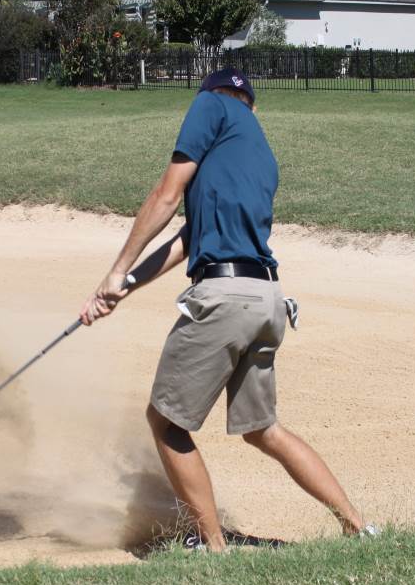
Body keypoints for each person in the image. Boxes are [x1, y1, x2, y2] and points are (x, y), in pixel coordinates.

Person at [79, 67, 370, 552]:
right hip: (267, 299)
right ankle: (359, 526)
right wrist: (121, 287)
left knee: (166, 423)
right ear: (253, 105)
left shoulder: (211, 105)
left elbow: (166, 196)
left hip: (224, 300)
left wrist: (115, 268)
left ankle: (213, 549)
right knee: (264, 430)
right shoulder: (260, 156)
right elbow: (188, 243)